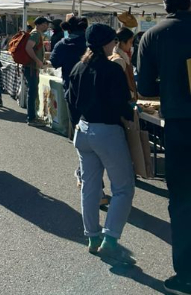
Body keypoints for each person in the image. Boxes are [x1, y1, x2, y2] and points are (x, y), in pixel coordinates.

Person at [136, 0, 191, 294]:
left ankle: (186, 275)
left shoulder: (153, 35)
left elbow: (145, 88)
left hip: (179, 125)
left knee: (182, 201)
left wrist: (169, 88)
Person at [67, 23, 136, 266]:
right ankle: (111, 239)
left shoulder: (78, 66)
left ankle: (92, 237)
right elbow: (122, 103)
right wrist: (131, 112)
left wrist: (77, 125)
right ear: (108, 42)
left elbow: (70, 100)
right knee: (123, 188)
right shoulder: (111, 69)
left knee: (90, 187)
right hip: (107, 131)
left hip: (83, 130)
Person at [23, 17, 52, 127]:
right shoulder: (35, 34)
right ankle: (31, 118)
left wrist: (41, 60)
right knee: (32, 93)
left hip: (31, 67)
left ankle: (32, 116)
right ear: (39, 24)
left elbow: (34, 49)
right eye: (45, 24)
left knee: (33, 92)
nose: (47, 26)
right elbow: (28, 48)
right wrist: (37, 60)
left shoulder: (36, 34)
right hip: (31, 68)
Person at [109, 27, 138, 102]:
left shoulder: (123, 56)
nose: (131, 46)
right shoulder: (118, 60)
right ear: (122, 42)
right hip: (125, 100)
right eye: (130, 42)